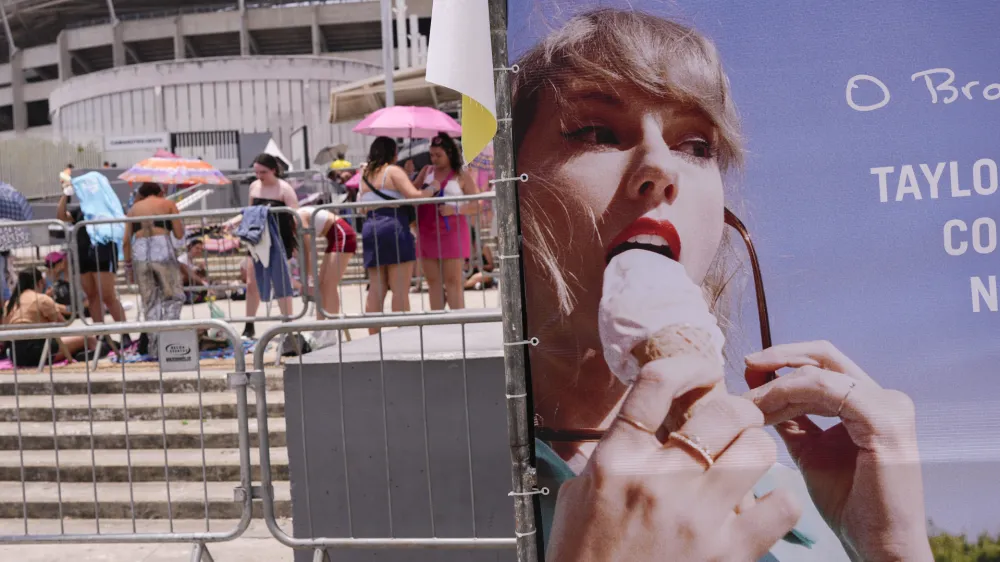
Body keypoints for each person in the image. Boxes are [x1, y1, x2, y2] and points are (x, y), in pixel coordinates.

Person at [513, 9, 932, 562]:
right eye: (597, 132)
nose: (660, 166)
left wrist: (889, 547)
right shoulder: (448, 499)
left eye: (696, 146)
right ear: (506, 190)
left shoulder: (800, 505)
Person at [358, 137, 435, 333]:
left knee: (376, 288)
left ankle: (373, 337)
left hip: (371, 227)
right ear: (393, 153)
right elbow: (414, 196)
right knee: (400, 289)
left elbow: (365, 204)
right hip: (394, 226)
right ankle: (402, 335)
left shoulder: (365, 174)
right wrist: (433, 188)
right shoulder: (393, 171)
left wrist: (409, 176)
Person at [230, 153, 300, 339]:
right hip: (257, 239)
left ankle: (288, 324)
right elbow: (250, 213)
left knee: (281, 283)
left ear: (274, 170)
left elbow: (296, 216)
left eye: (263, 172)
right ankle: (249, 324)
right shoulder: (254, 186)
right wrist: (234, 222)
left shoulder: (284, 189)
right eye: (257, 172)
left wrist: (295, 243)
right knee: (251, 282)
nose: (260, 175)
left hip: (279, 240)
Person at [57, 175, 129, 348]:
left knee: (108, 295)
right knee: (92, 296)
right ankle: (101, 335)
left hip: (103, 251)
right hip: (83, 254)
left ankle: (125, 332)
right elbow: (61, 216)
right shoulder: (81, 209)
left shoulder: (106, 206)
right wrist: (66, 194)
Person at [414, 133, 480, 311]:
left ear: (450, 153)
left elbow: (477, 203)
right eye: (432, 155)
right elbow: (412, 194)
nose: (434, 159)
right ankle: (438, 324)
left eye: (438, 155)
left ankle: (459, 324)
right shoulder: (426, 171)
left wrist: (456, 209)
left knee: (453, 281)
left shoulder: (461, 174)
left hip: (453, 231)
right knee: (433, 282)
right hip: (427, 229)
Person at [123, 182, 185, 357]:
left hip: (140, 249)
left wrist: (128, 267)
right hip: (161, 246)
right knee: (173, 297)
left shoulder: (133, 209)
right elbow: (179, 234)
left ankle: (155, 349)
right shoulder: (168, 204)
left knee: (150, 302)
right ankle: (170, 345)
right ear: (160, 192)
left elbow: (126, 241)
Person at [3, 269, 95, 366]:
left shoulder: (9, 303)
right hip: (39, 352)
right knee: (88, 338)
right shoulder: (42, 299)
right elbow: (63, 325)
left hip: (16, 355)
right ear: (39, 283)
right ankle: (96, 358)